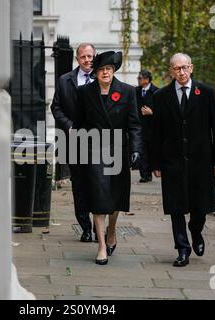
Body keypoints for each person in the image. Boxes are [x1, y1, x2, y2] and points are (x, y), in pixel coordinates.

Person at [151, 53, 215, 267]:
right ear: (171, 71)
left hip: (201, 160)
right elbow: (156, 132)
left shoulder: (206, 93)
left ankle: (196, 230)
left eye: (184, 67)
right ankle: (182, 249)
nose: (181, 72)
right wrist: (155, 162)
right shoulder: (161, 96)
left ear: (191, 68)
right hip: (172, 161)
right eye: (177, 69)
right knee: (176, 207)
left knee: (199, 207)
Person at [73, 51, 144, 265]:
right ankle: (102, 245)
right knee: (98, 196)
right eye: (102, 70)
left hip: (118, 150)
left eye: (109, 70)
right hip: (94, 149)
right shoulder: (85, 92)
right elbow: (79, 123)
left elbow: (135, 124)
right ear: (96, 73)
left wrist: (136, 149)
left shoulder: (128, 91)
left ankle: (111, 231)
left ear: (114, 71)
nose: (106, 73)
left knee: (115, 198)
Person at [51, 43, 96, 242]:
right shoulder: (65, 80)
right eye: (83, 57)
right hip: (74, 143)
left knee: (98, 185)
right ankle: (85, 227)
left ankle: (99, 227)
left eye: (90, 56)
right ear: (77, 59)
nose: (87, 60)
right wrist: (69, 126)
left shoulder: (103, 78)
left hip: (98, 143)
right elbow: (56, 107)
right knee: (79, 187)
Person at [136, 70, 158, 183]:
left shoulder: (157, 92)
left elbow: (163, 111)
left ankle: (155, 170)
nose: (138, 80)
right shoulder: (136, 91)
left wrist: (152, 112)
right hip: (140, 127)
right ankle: (145, 175)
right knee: (142, 151)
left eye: (140, 78)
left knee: (152, 150)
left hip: (152, 127)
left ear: (147, 80)